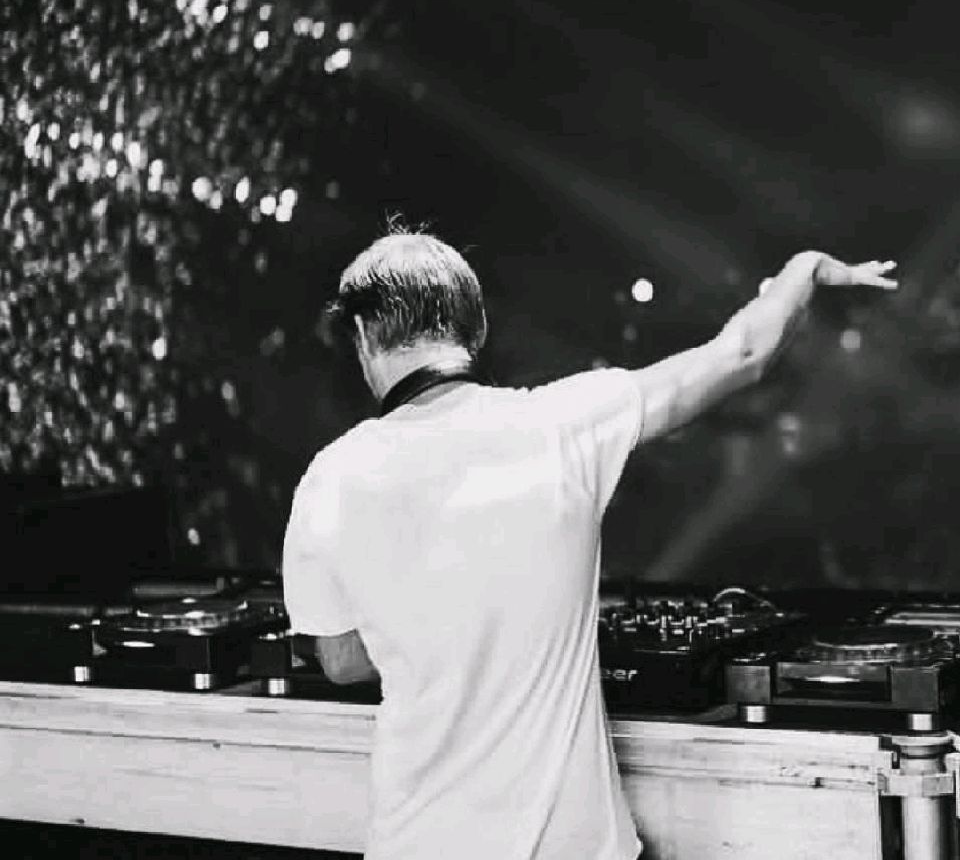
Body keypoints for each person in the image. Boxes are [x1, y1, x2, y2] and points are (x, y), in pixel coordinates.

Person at [281, 228, 897, 860]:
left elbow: (342, 661)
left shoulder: (330, 477)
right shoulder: (560, 425)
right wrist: (804, 269)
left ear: (364, 337)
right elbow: (742, 353)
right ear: (477, 328)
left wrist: (431, 621)